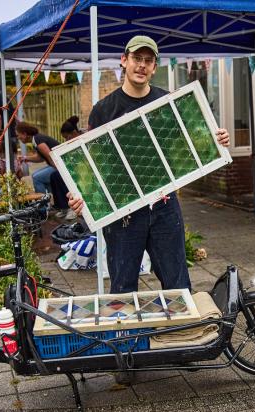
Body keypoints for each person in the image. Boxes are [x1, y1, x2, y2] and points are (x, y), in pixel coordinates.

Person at [68, 35, 230, 293]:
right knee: (122, 287)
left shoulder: (168, 104)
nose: (142, 65)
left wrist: (216, 139)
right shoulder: (103, 110)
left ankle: (178, 333)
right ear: (124, 61)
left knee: (177, 284)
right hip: (123, 213)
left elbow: (193, 143)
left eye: (148, 60)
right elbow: (90, 165)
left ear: (154, 67)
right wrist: (81, 197)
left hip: (164, 207)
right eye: (136, 59)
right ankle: (129, 335)